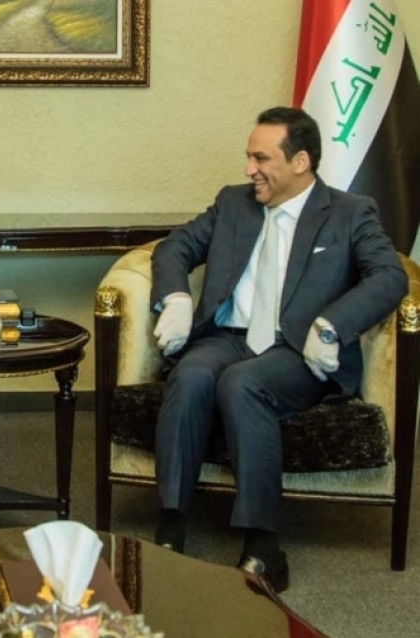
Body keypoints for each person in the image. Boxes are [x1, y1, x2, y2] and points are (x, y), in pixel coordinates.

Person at [149, 106, 407, 593]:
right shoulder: (233, 203)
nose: (249, 169)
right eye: (248, 157)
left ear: (300, 162)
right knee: (191, 375)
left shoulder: (350, 212)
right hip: (228, 337)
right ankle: (170, 524)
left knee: (242, 384)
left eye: (261, 158)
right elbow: (174, 248)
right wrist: (177, 298)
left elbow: (390, 276)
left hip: (296, 349)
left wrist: (332, 325)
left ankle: (263, 545)